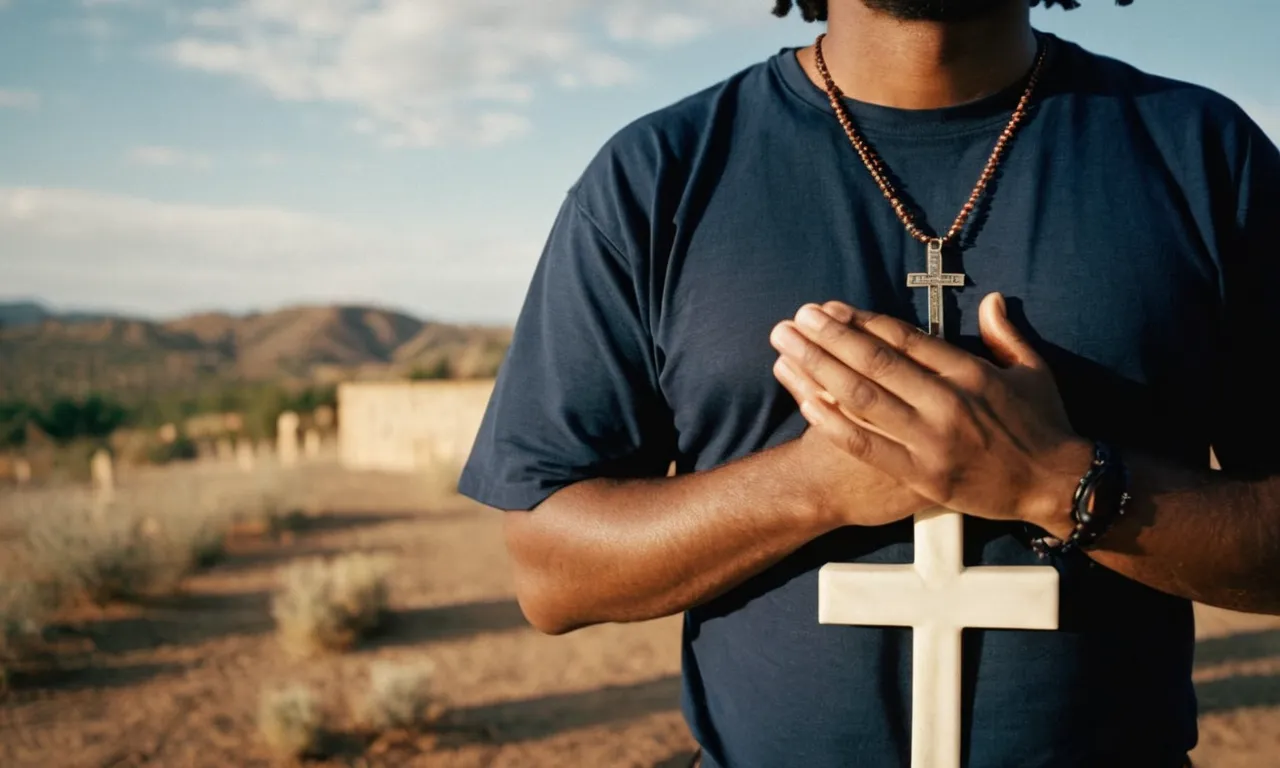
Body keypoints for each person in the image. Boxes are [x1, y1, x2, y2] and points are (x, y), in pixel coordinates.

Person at [458, 0, 1280, 765]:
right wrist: (814, 486)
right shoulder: (657, 173)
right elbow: (549, 574)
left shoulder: (1205, 152)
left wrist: (1050, 482)